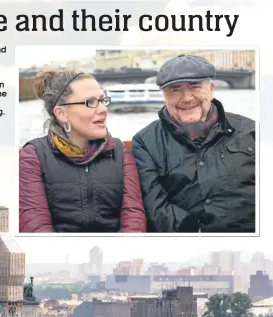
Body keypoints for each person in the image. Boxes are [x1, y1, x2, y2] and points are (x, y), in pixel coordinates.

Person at [132, 54, 255, 233]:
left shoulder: (250, 130)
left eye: (195, 86)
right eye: (175, 90)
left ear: (211, 89)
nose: (187, 98)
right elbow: (156, 206)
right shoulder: (145, 142)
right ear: (164, 97)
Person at [20, 68, 146, 233]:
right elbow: (35, 226)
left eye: (102, 100)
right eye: (90, 102)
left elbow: (133, 215)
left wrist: (121, 256)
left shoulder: (119, 152)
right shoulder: (34, 156)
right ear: (62, 113)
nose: (103, 109)